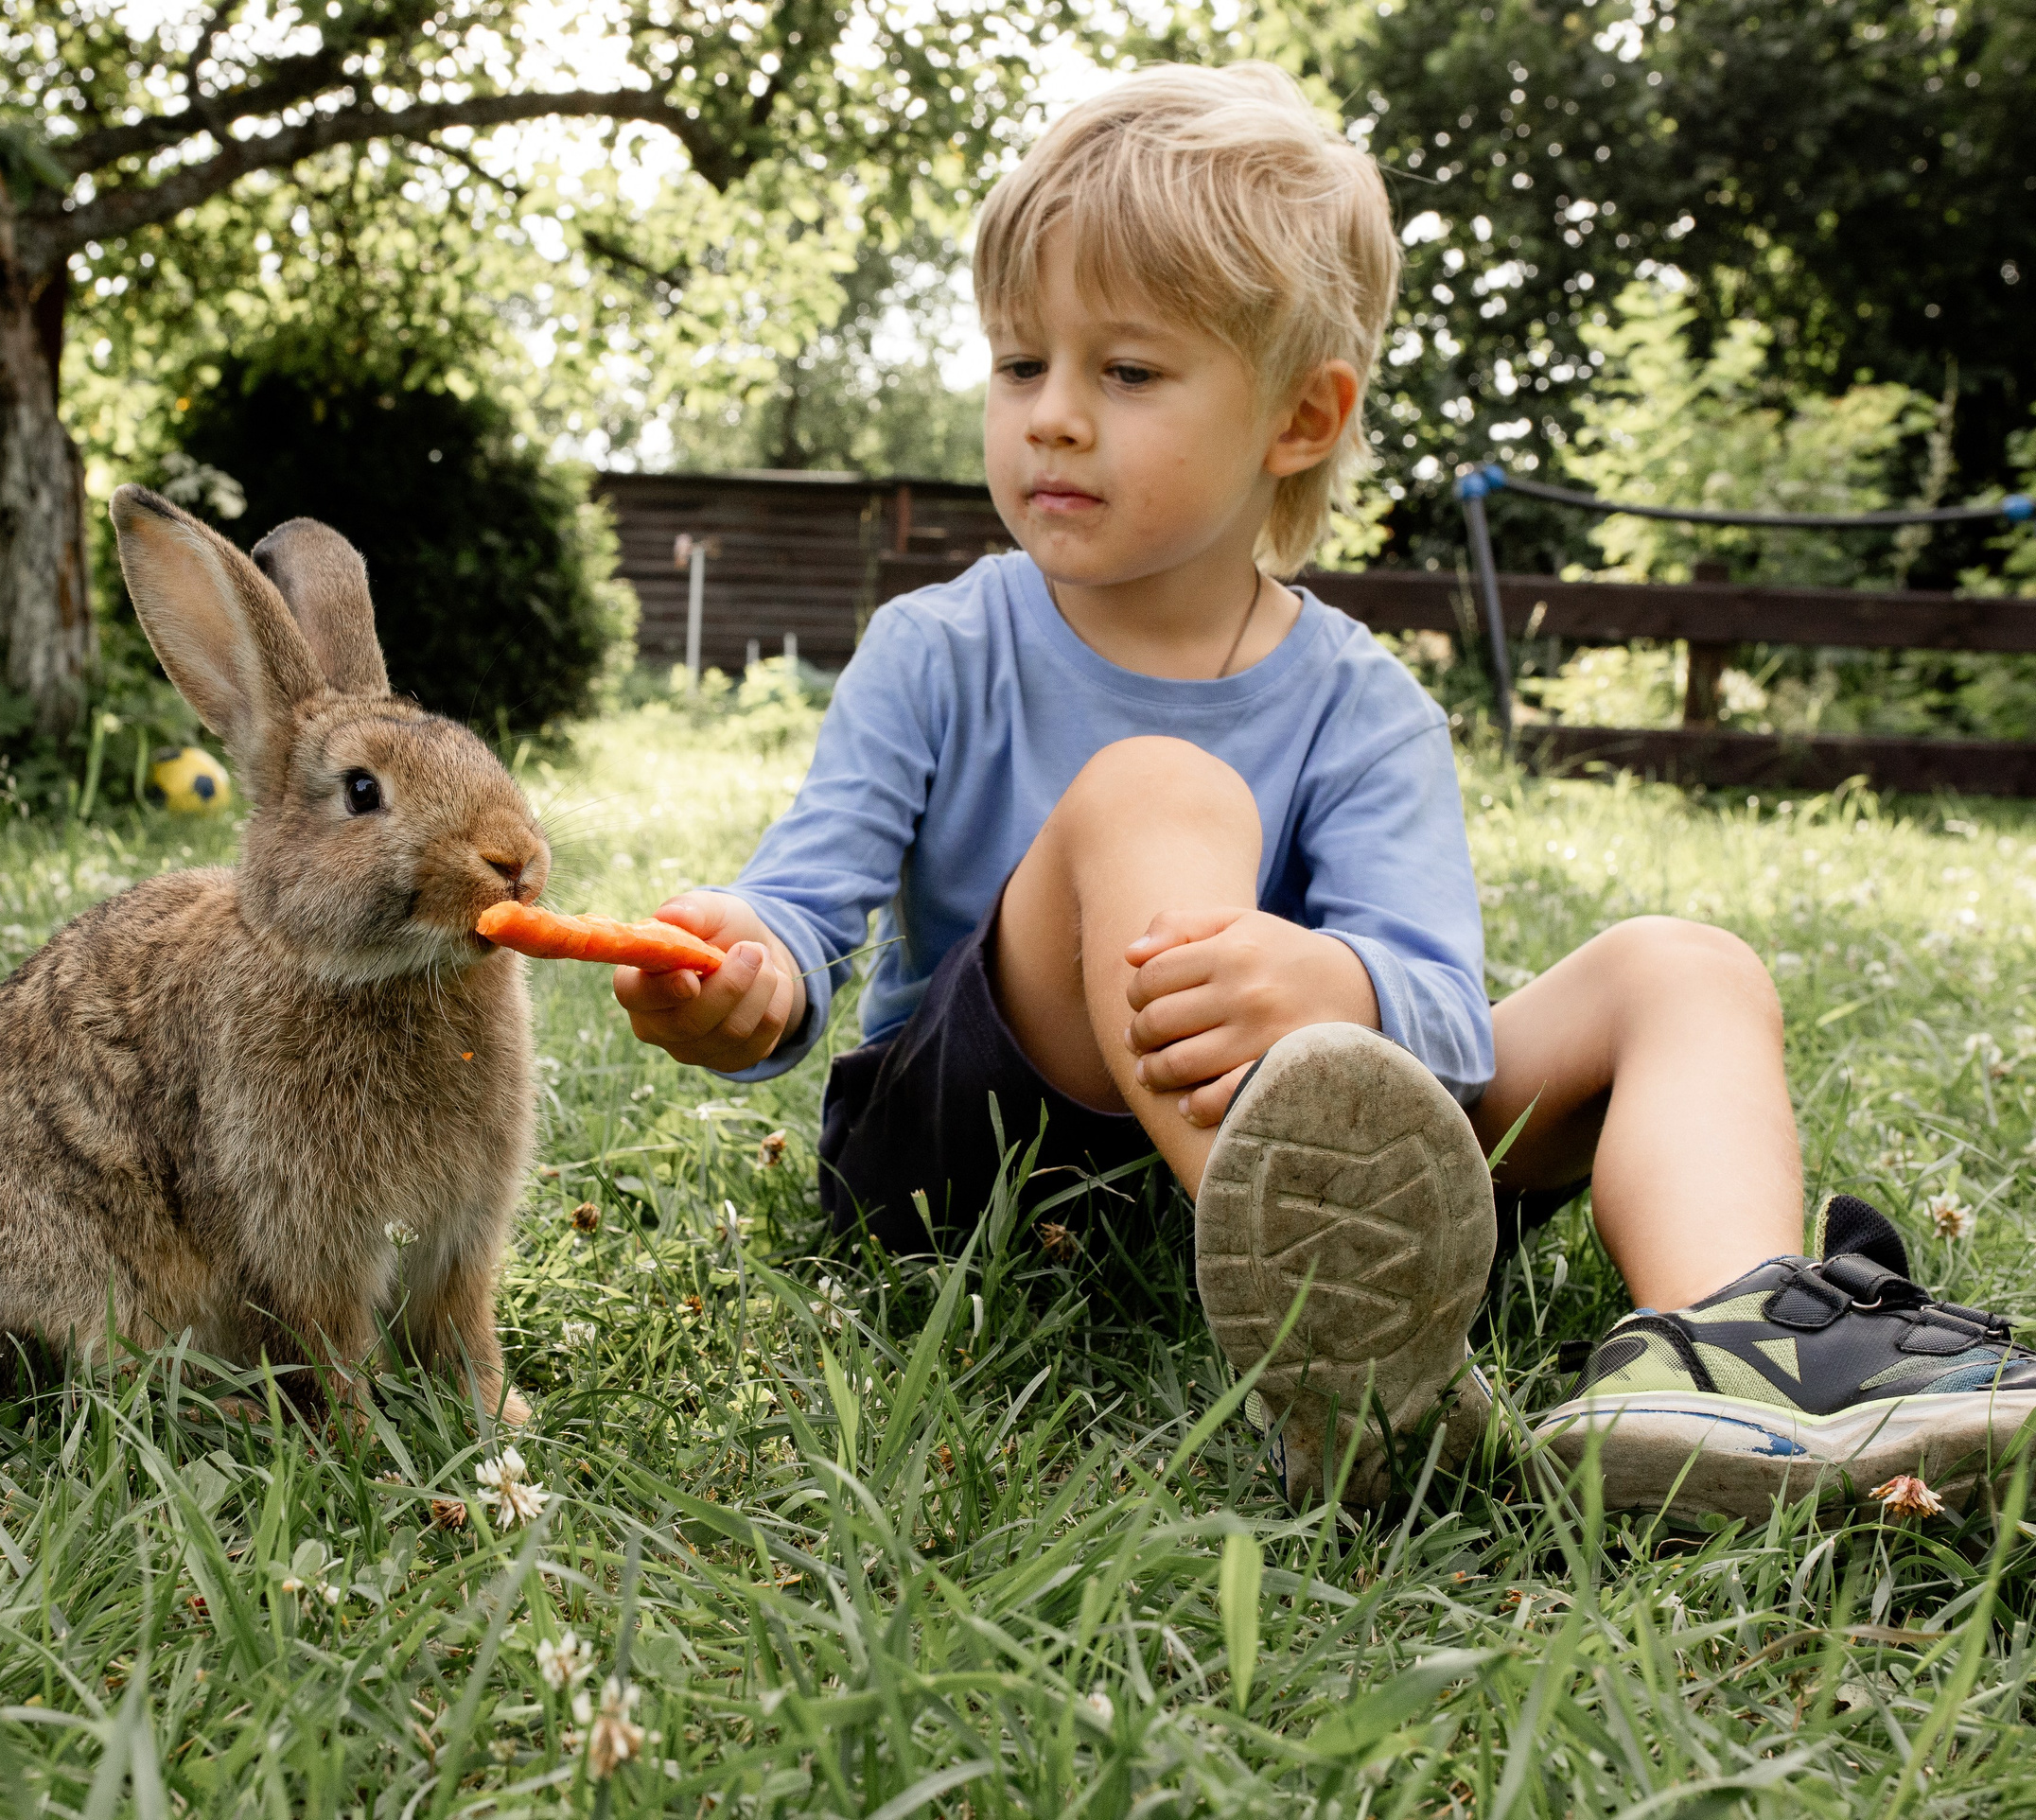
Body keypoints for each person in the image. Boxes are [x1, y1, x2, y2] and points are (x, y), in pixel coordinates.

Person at [609, 62, 2036, 1514]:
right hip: (977, 1176)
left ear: (1299, 418)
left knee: (1687, 968)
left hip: (1337, 1163)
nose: (1050, 415)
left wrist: (1336, 988)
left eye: (1128, 372)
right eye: (1019, 362)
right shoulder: (939, 647)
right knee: (1159, 788)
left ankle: (1741, 1352)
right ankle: (1353, 1368)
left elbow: (1435, 1006)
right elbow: (803, 907)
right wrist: (746, 972)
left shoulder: (1363, 704)